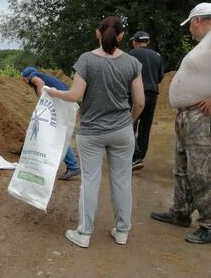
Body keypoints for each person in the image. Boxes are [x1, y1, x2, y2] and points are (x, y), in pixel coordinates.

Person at [47, 16, 144, 248]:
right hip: (122, 130)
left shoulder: (86, 60)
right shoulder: (132, 63)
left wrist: (52, 92)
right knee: (122, 181)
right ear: (121, 36)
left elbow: (75, 95)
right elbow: (139, 102)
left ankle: (84, 233)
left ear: (97, 34)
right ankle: (122, 231)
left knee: (90, 181)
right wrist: (128, 122)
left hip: (91, 132)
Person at [151, 2, 211, 244]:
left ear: (198, 20)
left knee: (202, 171)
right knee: (183, 167)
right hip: (188, 115)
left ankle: (209, 224)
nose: (189, 31)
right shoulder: (205, 44)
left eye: (190, 26)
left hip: (202, 118)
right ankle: (180, 211)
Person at [21, 66, 82, 180]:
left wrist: (42, 103)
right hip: (65, 101)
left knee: (57, 135)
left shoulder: (33, 77)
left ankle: (72, 166)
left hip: (61, 103)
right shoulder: (45, 77)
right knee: (53, 133)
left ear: (25, 78)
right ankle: (70, 165)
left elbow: (40, 83)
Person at [128, 31, 164, 171]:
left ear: (135, 42)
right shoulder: (157, 56)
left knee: (129, 124)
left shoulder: (131, 54)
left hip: (134, 94)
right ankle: (140, 157)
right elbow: (160, 77)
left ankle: (135, 157)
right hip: (152, 94)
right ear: (147, 42)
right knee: (145, 127)